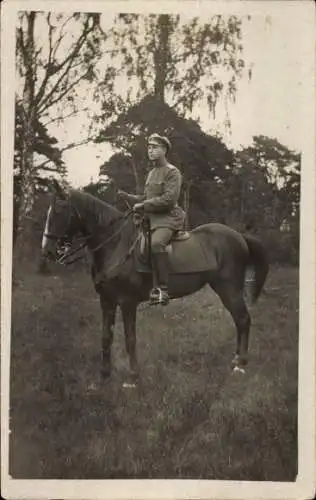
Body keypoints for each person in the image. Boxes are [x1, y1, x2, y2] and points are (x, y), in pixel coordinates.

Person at [117, 133, 185, 305]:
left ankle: (163, 290)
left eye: (155, 147)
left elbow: (169, 200)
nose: (151, 150)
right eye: (149, 147)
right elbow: (145, 197)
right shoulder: (152, 173)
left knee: (156, 244)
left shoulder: (172, 172)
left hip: (168, 218)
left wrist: (144, 205)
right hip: (151, 219)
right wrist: (128, 197)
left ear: (164, 150)